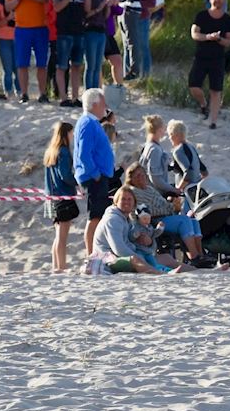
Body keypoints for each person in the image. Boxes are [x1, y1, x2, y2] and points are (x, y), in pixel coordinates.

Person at [93, 187, 187, 274]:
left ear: (134, 203)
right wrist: (140, 257)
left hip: (126, 255)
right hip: (107, 260)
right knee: (135, 259)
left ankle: (195, 270)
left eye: (129, 199)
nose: (127, 202)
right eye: (123, 199)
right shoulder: (113, 220)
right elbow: (119, 249)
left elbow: (136, 243)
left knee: (166, 258)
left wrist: (148, 242)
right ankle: (161, 273)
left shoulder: (127, 219)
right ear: (116, 202)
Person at [125, 162, 204, 262]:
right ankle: (194, 256)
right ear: (131, 179)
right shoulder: (134, 191)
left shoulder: (149, 189)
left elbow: (162, 203)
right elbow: (147, 210)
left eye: (142, 174)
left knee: (193, 221)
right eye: (137, 176)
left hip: (165, 216)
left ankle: (201, 254)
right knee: (184, 221)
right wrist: (171, 207)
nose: (141, 177)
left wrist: (173, 206)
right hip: (153, 222)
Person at [5, 0, 52, 102]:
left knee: (41, 63)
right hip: (22, 29)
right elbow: (8, 6)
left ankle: (42, 93)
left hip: (40, 28)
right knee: (22, 63)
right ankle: (24, 93)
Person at [75, 88, 116, 255]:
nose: (105, 106)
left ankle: (95, 253)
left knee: (99, 217)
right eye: (102, 103)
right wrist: (95, 174)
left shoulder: (91, 123)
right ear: (94, 104)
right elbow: (84, 154)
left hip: (99, 176)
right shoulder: (87, 123)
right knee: (95, 218)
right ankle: (91, 255)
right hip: (95, 178)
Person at [189, 0, 230, 130]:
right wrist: (208, 37)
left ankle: (213, 120)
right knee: (194, 86)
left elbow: (228, 41)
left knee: (216, 90)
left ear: (224, 0)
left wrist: (218, 38)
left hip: (218, 58)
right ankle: (203, 105)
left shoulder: (228, 19)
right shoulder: (201, 16)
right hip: (201, 56)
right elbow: (194, 34)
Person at [43, 122, 79, 272]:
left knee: (58, 234)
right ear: (66, 134)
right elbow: (65, 175)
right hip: (63, 196)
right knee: (62, 235)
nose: (73, 136)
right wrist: (77, 181)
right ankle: (62, 266)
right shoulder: (63, 151)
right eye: (71, 133)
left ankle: (56, 265)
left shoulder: (51, 151)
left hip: (51, 197)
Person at [52, 0, 87, 106]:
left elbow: (86, 8)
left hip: (79, 31)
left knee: (76, 65)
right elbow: (57, 8)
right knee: (62, 65)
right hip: (64, 32)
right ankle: (63, 97)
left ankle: (75, 97)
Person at [79, 0, 112, 90]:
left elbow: (106, 16)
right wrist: (99, 8)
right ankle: (89, 91)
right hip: (90, 31)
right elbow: (86, 13)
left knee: (98, 65)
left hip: (101, 32)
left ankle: (96, 90)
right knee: (90, 65)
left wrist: (107, 6)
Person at [139, 115, 181, 198]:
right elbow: (155, 178)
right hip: (154, 194)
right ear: (159, 129)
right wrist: (173, 190)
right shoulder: (154, 149)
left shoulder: (149, 145)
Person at [168, 119, 206, 192]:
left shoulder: (178, 151)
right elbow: (204, 172)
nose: (170, 138)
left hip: (187, 191)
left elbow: (188, 173)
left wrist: (178, 189)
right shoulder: (191, 147)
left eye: (170, 135)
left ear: (176, 135)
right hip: (196, 187)